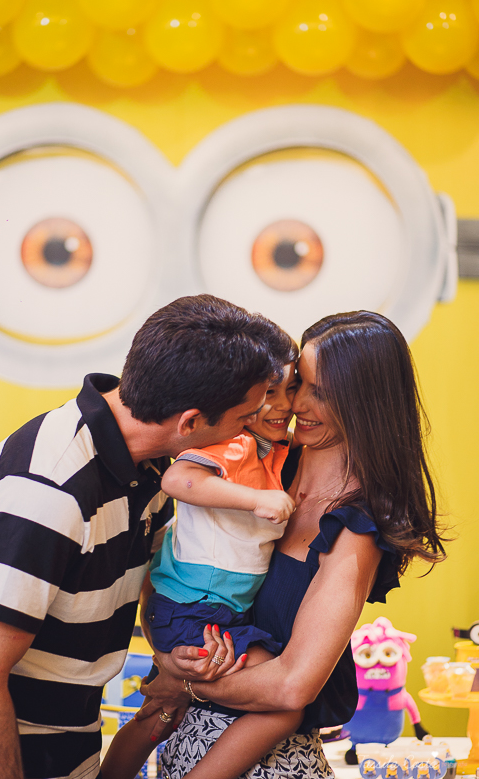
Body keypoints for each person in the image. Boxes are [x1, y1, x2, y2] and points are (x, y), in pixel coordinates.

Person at [0, 294, 292, 779]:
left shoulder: (150, 466)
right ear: (190, 422)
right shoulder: (50, 488)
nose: (251, 429)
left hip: (73, 738)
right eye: (243, 419)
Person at [130, 311, 446, 779]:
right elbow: (178, 570)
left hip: (269, 764)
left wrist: (186, 684)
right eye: (298, 383)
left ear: (365, 403)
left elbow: (292, 687)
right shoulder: (259, 463)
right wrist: (165, 650)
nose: (296, 403)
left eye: (320, 393)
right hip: (179, 746)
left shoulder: (356, 528)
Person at [103, 345, 299, 779]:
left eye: (293, 389)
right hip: (194, 609)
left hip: (212, 610)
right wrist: (255, 499)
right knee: (284, 698)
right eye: (270, 392)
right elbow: (179, 478)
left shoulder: (275, 451)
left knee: (160, 713)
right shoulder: (236, 445)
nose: (284, 404)